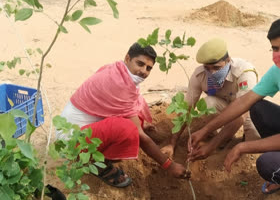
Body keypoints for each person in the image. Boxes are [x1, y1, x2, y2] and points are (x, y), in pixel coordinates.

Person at [188, 15, 280, 194]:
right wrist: (205, 130)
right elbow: (246, 100)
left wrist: (242, 147)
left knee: (267, 164)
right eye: (275, 48)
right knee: (258, 108)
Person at [56, 42, 190, 188]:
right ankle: (97, 164)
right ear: (127, 58)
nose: (144, 71)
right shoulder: (120, 86)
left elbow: (124, 105)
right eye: (140, 64)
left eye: (148, 68)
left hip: (73, 129)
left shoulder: (116, 71)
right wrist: (169, 165)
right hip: (71, 142)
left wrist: (142, 123)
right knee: (128, 130)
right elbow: (140, 136)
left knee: (135, 116)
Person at [161, 38, 260, 158]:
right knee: (208, 103)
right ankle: (221, 139)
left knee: (254, 144)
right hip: (223, 107)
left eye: (217, 68)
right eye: (207, 68)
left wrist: (211, 146)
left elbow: (240, 114)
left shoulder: (244, 72)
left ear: (228, 60)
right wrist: (172, 143)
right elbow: (187, 109)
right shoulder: (199, 75)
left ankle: (228, 139)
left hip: (247, 111)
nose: (212, 73)